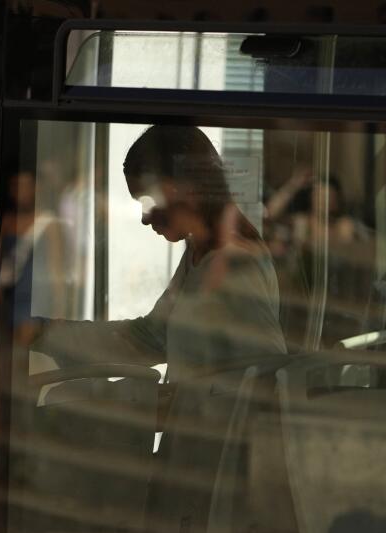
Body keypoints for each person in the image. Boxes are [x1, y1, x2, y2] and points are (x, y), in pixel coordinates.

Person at [29, 125, 286, 382]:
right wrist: (46, 332)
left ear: (184, 190)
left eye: (148, 201)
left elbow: (267, 372)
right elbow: (149, 338)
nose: (144, 218)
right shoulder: (199, 254)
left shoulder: (235, 261)